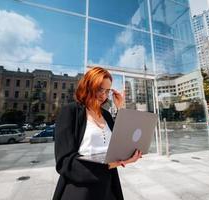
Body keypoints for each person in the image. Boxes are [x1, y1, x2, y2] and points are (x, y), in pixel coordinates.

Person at [52, 67, 142, 200]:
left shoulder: (106, 114)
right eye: (100, 89)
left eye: (107, 91)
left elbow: (121, 141)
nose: (103, 95)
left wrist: (121, 108)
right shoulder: (70, 112)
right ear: (88, 86)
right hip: (81, 189)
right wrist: (111, 165)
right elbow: (64, 162)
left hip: (109, 186)